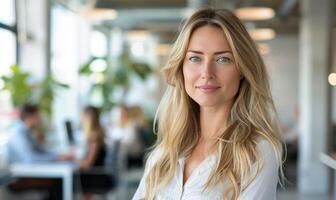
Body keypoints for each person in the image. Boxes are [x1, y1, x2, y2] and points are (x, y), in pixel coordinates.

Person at [133, 8, 284, 200]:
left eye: (223, 59)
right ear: (182, 68)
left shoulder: (256, 152)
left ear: (243, 70)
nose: (206, 72)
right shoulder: (164, 153)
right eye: (195, 58)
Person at [6, 104, 72, 200]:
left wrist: (59, 155)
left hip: (30, 173)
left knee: (57, 180)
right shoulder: (18, 133)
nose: (40, 119)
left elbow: (42, 151)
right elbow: (31, 159)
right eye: (38, 116)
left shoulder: (27, 132)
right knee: (56, 181)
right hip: (18, 179)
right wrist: (56, 157)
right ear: (29, 117)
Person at [76, 105, 113, 200]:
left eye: (82, 117)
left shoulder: (94, 138)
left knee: (75, 177)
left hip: (97, 178)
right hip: (97, 175)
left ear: (88, 119)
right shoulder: (97, 134)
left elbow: (88, 164)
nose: (81, 120)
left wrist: (75, 161)